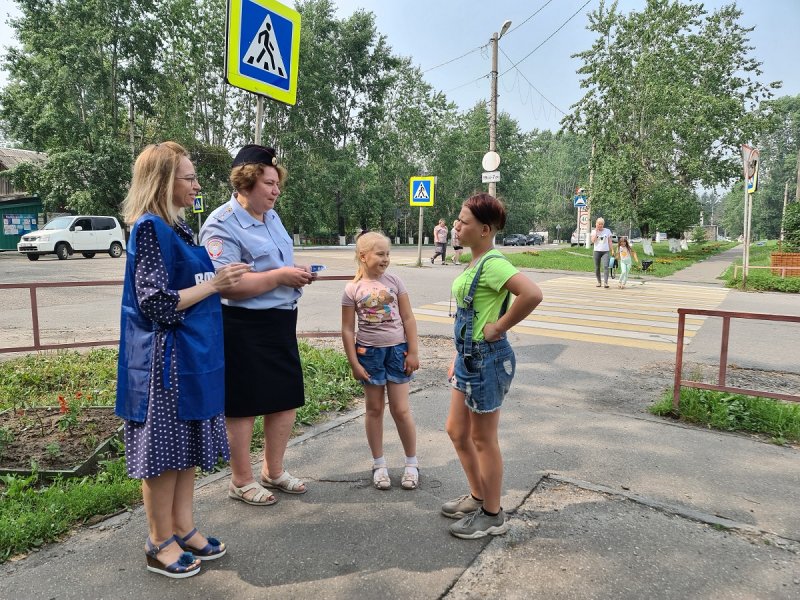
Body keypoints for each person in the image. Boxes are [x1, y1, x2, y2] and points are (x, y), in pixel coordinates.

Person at [116, 142, 252, 578]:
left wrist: (221, 280)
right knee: (163, 454)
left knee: (185, 449)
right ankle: (158, 542)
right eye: (189, 178)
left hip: (192, 358)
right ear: (162, 181)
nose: (197, 185)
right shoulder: (150, 229)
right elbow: (155, 304)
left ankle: (183, 527)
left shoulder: (179, 231)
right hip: (166, 362)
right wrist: (216, 284)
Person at [200, 145, 315, 506]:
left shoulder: (272, 217)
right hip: (242, 324)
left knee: (284, 398)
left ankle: (273, 471)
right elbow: (228, 284)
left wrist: (293, 276)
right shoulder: (221, 224)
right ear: (246, 182)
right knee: (245, 405)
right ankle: (241, 480)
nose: (276, 190)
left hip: (280, 320)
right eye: (269, 183)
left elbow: (277, 265)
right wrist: (281, 276)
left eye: (277, 183)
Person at [443, 193, 543, 539]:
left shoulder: (494, 262)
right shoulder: (473, 261)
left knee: (483, 439)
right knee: (457, 430)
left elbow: (532, 293)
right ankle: (477, 496)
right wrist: (458, 356)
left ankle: (492, 514)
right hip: (469, 359)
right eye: (458, 220)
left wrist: (499, 327)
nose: (457, 226)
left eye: (464, 222)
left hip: (488, 360)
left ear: (485, 230)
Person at [341, 232, 421, 490]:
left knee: (401, 410)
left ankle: (411, 463)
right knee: (374, 410)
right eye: (380, 254)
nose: (386, 259)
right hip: (369, 355)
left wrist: (413, 351)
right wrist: (354, 362)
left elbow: (408, 318)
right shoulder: (353, 289)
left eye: (387, 254)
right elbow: (347, 330)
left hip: (397, 351)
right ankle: (379, 464)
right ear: (363, 256)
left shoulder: (395, 281)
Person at [590, 217, 614, 288]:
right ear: (596, 224)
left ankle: (606, 283)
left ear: (603, 224)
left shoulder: (607, 231)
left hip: (605, 251)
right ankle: (599, 282)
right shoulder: (594, 231)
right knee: (597, 267)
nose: (600, 225)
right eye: (599, 224)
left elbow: (610, 241)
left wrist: (612, 249)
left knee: (606, 266)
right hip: (597, 251)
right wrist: (596, 232)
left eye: (601, 224)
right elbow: (593, 241)